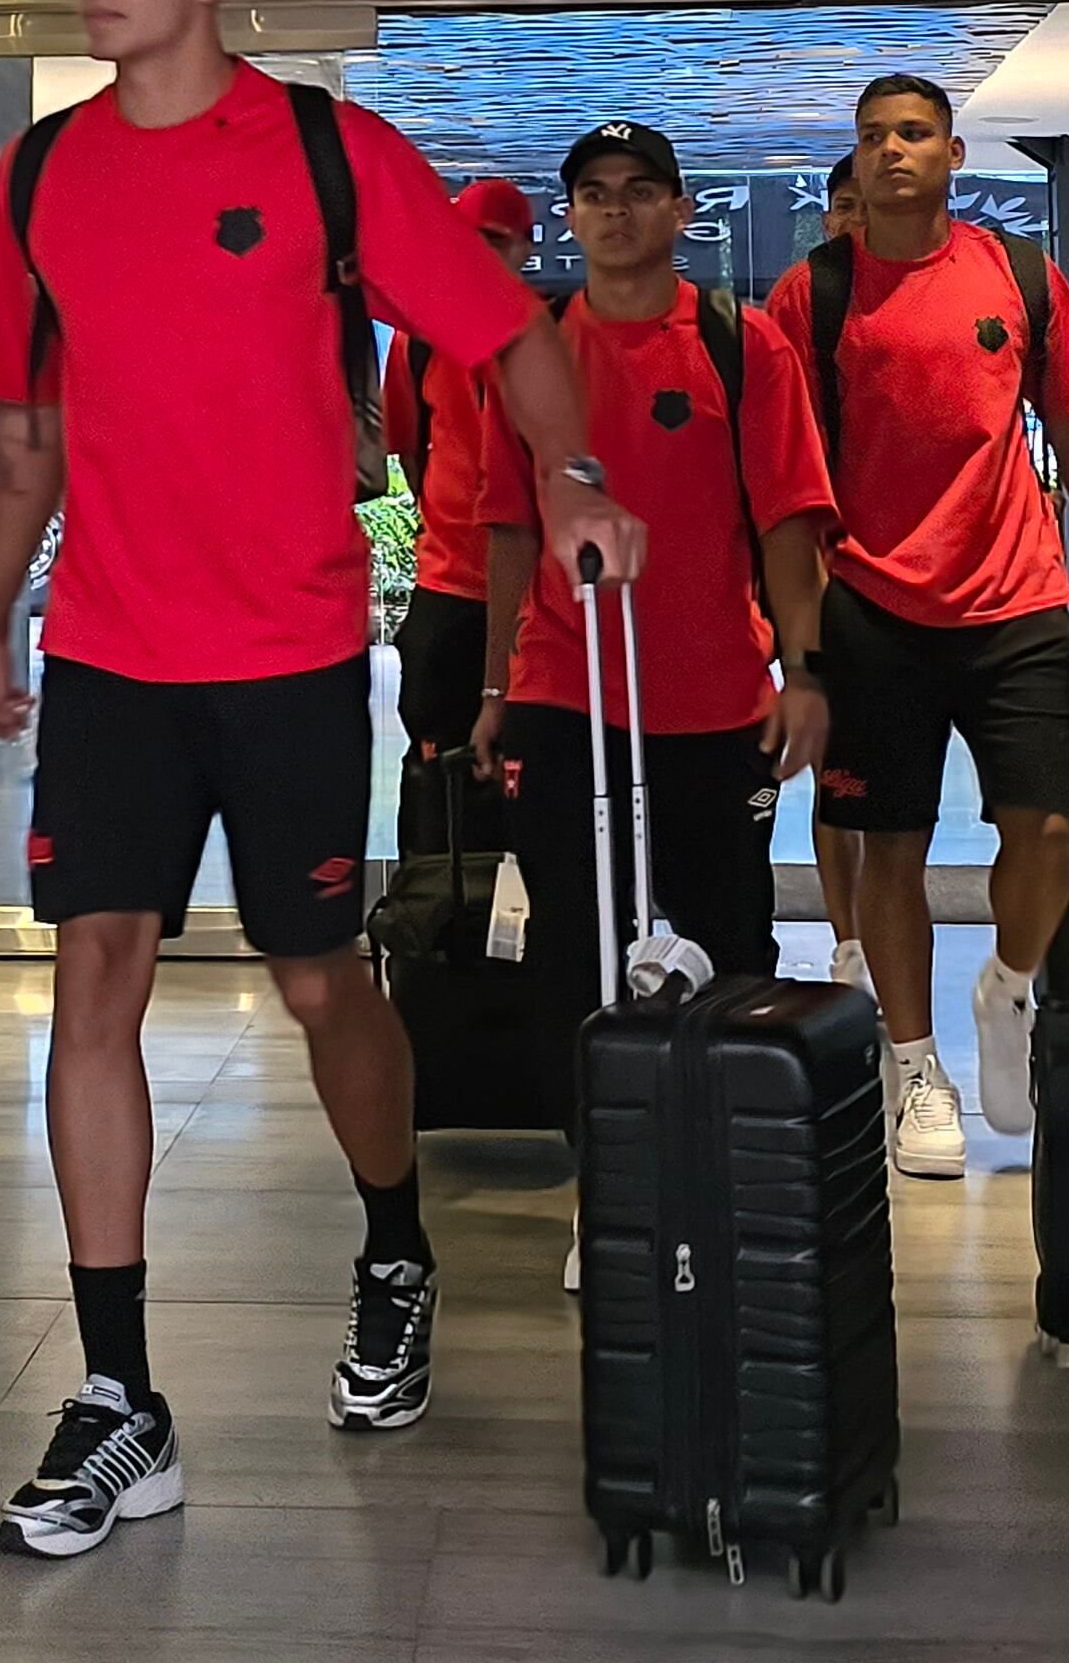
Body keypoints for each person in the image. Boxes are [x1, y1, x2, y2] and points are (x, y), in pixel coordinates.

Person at [0, 0, 642, 1560]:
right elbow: (27, 432)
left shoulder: (330, 157)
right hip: (113, 645)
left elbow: (508, 332)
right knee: (92, 972)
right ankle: (121, 1396)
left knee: (318, 978)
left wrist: (568, 479)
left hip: (286, 650)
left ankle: (394, 1242)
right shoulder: (38, 172)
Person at [477, 121, 835, 1283]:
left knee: (725, 948)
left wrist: (803, 669)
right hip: (560, 693)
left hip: (713, 699)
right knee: (579, 961)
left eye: (640, 192)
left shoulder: (744, 347)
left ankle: (718, 1181)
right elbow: (506, 530)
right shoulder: (530, 351)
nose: (616, 212)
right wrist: (492, 688)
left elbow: (785, 521)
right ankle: (611, 1192)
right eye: (593, 194)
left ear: (683, 212)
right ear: (568, 216)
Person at [768, 76, 1069, 1176]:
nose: (893, 152)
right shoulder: (814, 294)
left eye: (914, 134)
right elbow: (780, 472)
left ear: (953, 152)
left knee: (1049, 831)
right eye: (874, 136)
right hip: (872, 605)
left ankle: (1010, 988)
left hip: (1015, 597)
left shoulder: (1016, 275)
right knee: (892, 846)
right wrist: (788, 628)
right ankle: (912, 1062)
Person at [389, 180, 540, 778]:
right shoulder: (417, 341)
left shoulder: (549, 341)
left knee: (525, 775)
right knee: (435, 768)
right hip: (448, 592)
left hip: (534, 598)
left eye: (495, 243)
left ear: (526, 249)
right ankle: (430, 871)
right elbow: (407, 450)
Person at [792, 150, 869, 987]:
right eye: (842, 206)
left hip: (924, 583)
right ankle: (848, 940)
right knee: (837, 773)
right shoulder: (804, 303)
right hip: (821, 569)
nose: (854, 221)